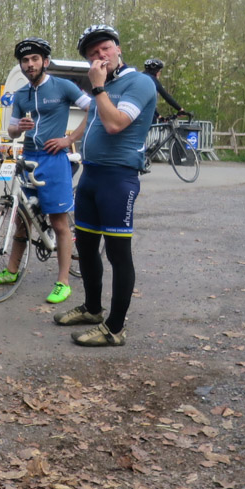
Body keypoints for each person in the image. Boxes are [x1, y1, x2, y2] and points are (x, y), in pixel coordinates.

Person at [54, 24, 157, 347]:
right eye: (92, 53)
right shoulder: (106, 85)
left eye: (105, 49)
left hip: (118, 178)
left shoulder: (139, 82)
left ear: (118, 49)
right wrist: (70, 138)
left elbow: (115, 123)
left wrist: (97, 88)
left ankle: (114, 328)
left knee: (117, 252)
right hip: (92, 174)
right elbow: (95, 118)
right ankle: (94, 309)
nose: (100, 56)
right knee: (85, 247)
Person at [0, 38, 91, 304]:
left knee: (58, 222)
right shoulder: (21, 95)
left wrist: (68, 139)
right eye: (25, 61)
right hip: (28, 157)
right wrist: (19, 128)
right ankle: (10, 271)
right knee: (22, 219)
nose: (29, 64)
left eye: (34, 59)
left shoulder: (62, 86)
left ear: (45, 61)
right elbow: (10, 129)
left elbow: (95, 108)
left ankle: (63, 282)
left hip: (54, 160)